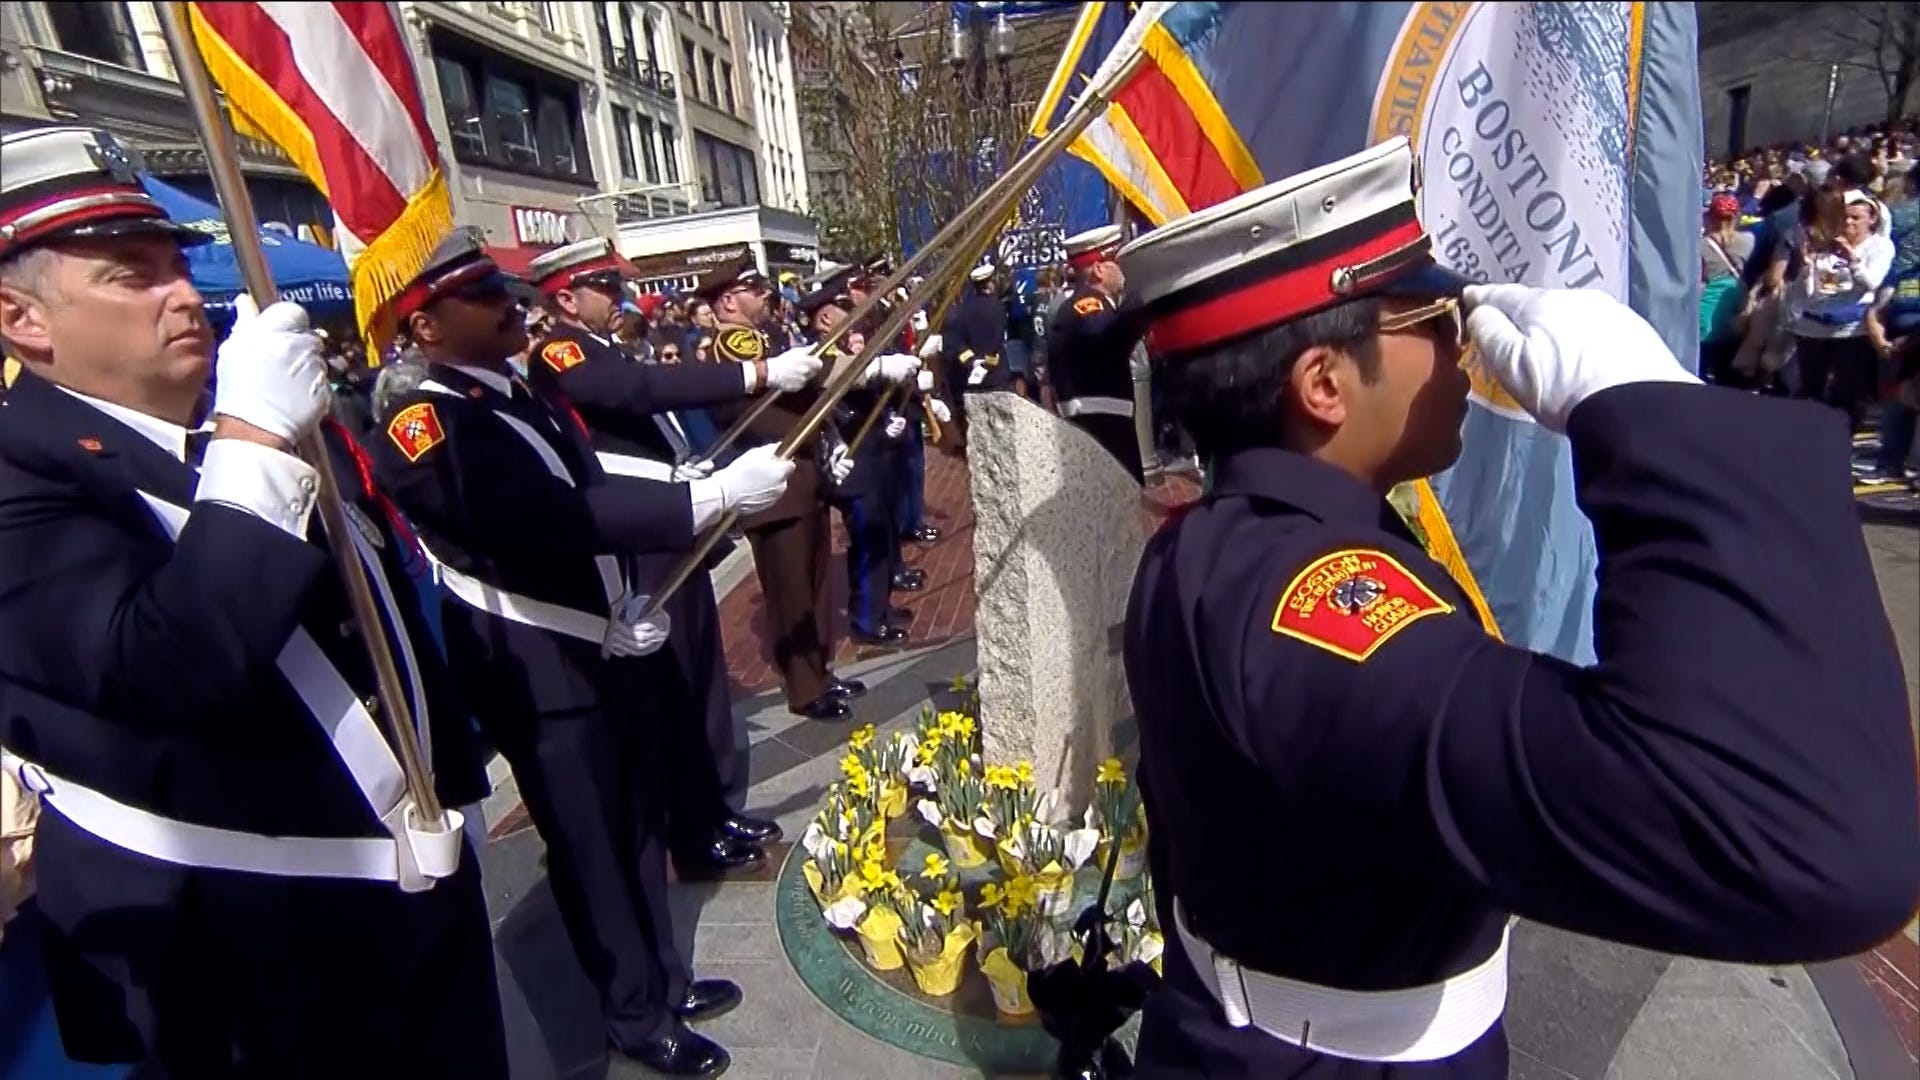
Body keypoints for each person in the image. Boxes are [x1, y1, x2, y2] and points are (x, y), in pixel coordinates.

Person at [1120, 137, 1920, 1078]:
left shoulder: (1238, 539)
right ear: (1325, 386)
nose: (1463, 341)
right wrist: (1653, 422)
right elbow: (1808, 840)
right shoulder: (1303, 602)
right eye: (1432, 315)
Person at [0, 126, 507, 1076]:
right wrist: (256, 437)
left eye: (174, 265)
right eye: (129, 276)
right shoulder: (25, 473)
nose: (185, 294)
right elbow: (166, 663)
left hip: (403, 893)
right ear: (24, 320)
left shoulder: (215, 432)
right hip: (246, 951)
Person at [367, 231, 793, 1078]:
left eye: (501, 284)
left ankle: (663, 982)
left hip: (600, 642)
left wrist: (623, 597)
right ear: (424, 330)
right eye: (482, 294)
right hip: (538, 666)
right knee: (593, 848)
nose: (507, 302)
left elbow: (590, 492)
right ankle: (632, 1015)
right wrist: (703, 501)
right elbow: (532, 518)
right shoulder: (424, 426)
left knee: (638, 823)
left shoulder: (515, 395)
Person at [522, 236, 821, 874]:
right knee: (675, 683)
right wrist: (758, 372)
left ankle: (713, 807)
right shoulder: (561, 349)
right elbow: (637, 390)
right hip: (640, 534)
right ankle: (691, 829)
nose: (618, 294)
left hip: (669, 515)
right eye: (603, 286)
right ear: (567, 297)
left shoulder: (607, 342)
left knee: (702, 669)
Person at [705, 257, 920, 719]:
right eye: (753, 287)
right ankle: (805, 689)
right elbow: (774, 408)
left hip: (803, 477)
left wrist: (830, 438)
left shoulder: (767, 340)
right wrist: (831, 418)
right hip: (773, 484)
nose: (764, 293)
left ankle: (820, 672)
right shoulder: (735, 346)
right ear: (727, 301)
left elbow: (809, 388)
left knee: (815, 582)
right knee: (792, 591)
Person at [1049, 226, 1146, 483]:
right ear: (1100, 269)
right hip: (1102, 435)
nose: (1123, 269)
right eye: (1117, 261)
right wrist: (1144, 302)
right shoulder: (1087, 307)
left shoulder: (1099, 306)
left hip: (1105, 431)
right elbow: (1103, 335)